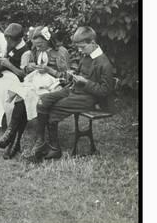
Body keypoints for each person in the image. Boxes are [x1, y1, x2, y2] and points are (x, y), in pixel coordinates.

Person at [26, 26, 114, 162]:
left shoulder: (103, 62)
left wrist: (85, 82)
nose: (79, 50)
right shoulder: (86, 56)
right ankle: (41, 142)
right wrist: (72, 75)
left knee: (53, 109)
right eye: (78, 47)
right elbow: (78, 74)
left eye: (82, 47)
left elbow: (104, 91)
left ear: (92, 43)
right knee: (43, 101)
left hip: (87, 98)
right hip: (73, 89)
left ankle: (55, 149)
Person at [0, 25, 70, 158]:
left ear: (48, 40)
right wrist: (29, 67)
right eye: (36, 45)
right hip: (36, 84)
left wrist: (50, 70)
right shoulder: (35, 51)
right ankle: (13, 138)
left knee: (24, 97)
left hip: (54, 87)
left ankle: (12, 136)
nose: (38, 48)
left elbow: (67, 78)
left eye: (41, 44)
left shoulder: (60, 52)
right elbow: (27, 71)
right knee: (24, 95)